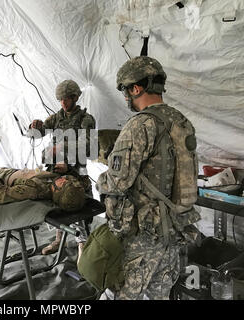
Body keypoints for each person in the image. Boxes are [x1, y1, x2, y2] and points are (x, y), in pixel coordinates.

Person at [96, 56, 201, 300]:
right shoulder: (182, 122)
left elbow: (117, 181)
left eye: (125, 90)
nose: (125, 97)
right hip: (173, 233)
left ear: (136, 87)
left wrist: (101, 180)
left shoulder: (140, 124)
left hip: (142, 237)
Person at [30, 80, 96, 256]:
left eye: (66, 99)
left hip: (76, 170)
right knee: (56, 204)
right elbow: (40, 132)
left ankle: (83, 244)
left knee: (78, 206)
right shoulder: (58, 117)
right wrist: (35, 127)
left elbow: (89, 146)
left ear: (75, 97)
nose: (63, 103)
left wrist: (62, 149)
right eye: (60, 100)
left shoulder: (85, 120)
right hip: (56, 168)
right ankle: (59, 239)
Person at [0, 159, 86, 212]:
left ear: (57, 192)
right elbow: (78, 180)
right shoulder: (55, 181)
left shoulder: (32, 191)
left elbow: (2, 196)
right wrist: (68, 169)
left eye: (63, 183)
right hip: (14, 171)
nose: (64, 179)